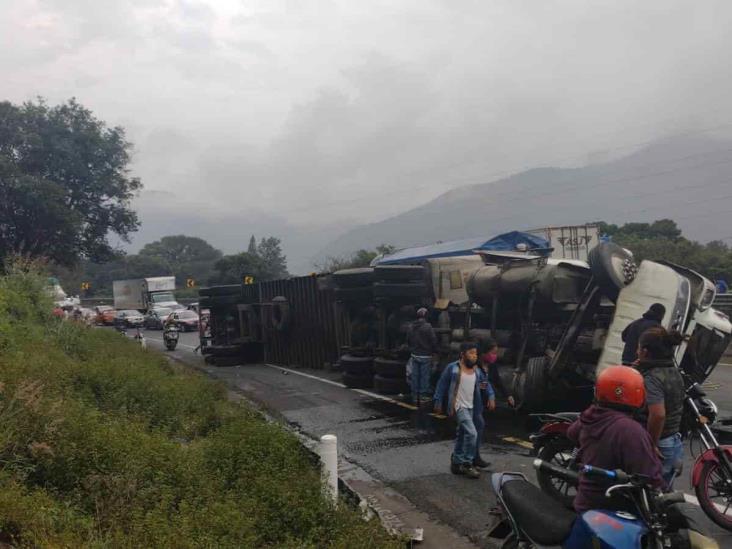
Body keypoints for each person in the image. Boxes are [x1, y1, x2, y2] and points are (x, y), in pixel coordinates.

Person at [567, 365, 663, 513]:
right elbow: (650, 475)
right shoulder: (631, 431)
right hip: (612, 512)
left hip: (584, 504)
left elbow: (571, 433)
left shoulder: (590, 415)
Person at [433, 342, 495, 479]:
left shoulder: (477, 371)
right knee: (472, 433)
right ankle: (467, 463)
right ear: (462, 354)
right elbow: (442, 384)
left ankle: (456, 462)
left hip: (472, 407)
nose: (474, 356)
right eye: (471, 353)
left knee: (462, 433)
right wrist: (438, 401)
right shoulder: (453, 368)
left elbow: (486, 384)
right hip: (458, 406)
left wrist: (491, 396)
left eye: (475, 354)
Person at [635, 326, 686, 487]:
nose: (636, 352)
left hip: (661, 443)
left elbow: (658, 414)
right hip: (673, 439)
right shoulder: (672, 370)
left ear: (644, 351)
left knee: (649, 495)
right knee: (662, 494)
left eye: (638, 348)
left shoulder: (653, 377)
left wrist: (651, 444)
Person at [406, 307, 438, 404]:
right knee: (424, 377)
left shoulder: (411, 326)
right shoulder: (428, 327)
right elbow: (433, 340)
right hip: (425, 356)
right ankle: (423, 396)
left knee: (415, 376)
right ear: (426, 316)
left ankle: (414, 395)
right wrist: (435, 350)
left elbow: (408, 340)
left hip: (414, 354)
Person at [480, 338, 515, 408]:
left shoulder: (492, 365)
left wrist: (508, 395)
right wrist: (490, 396)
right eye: (493, 353)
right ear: (484, 353)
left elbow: (498, 382)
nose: (495, 356)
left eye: (496, 354)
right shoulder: (476, 366)